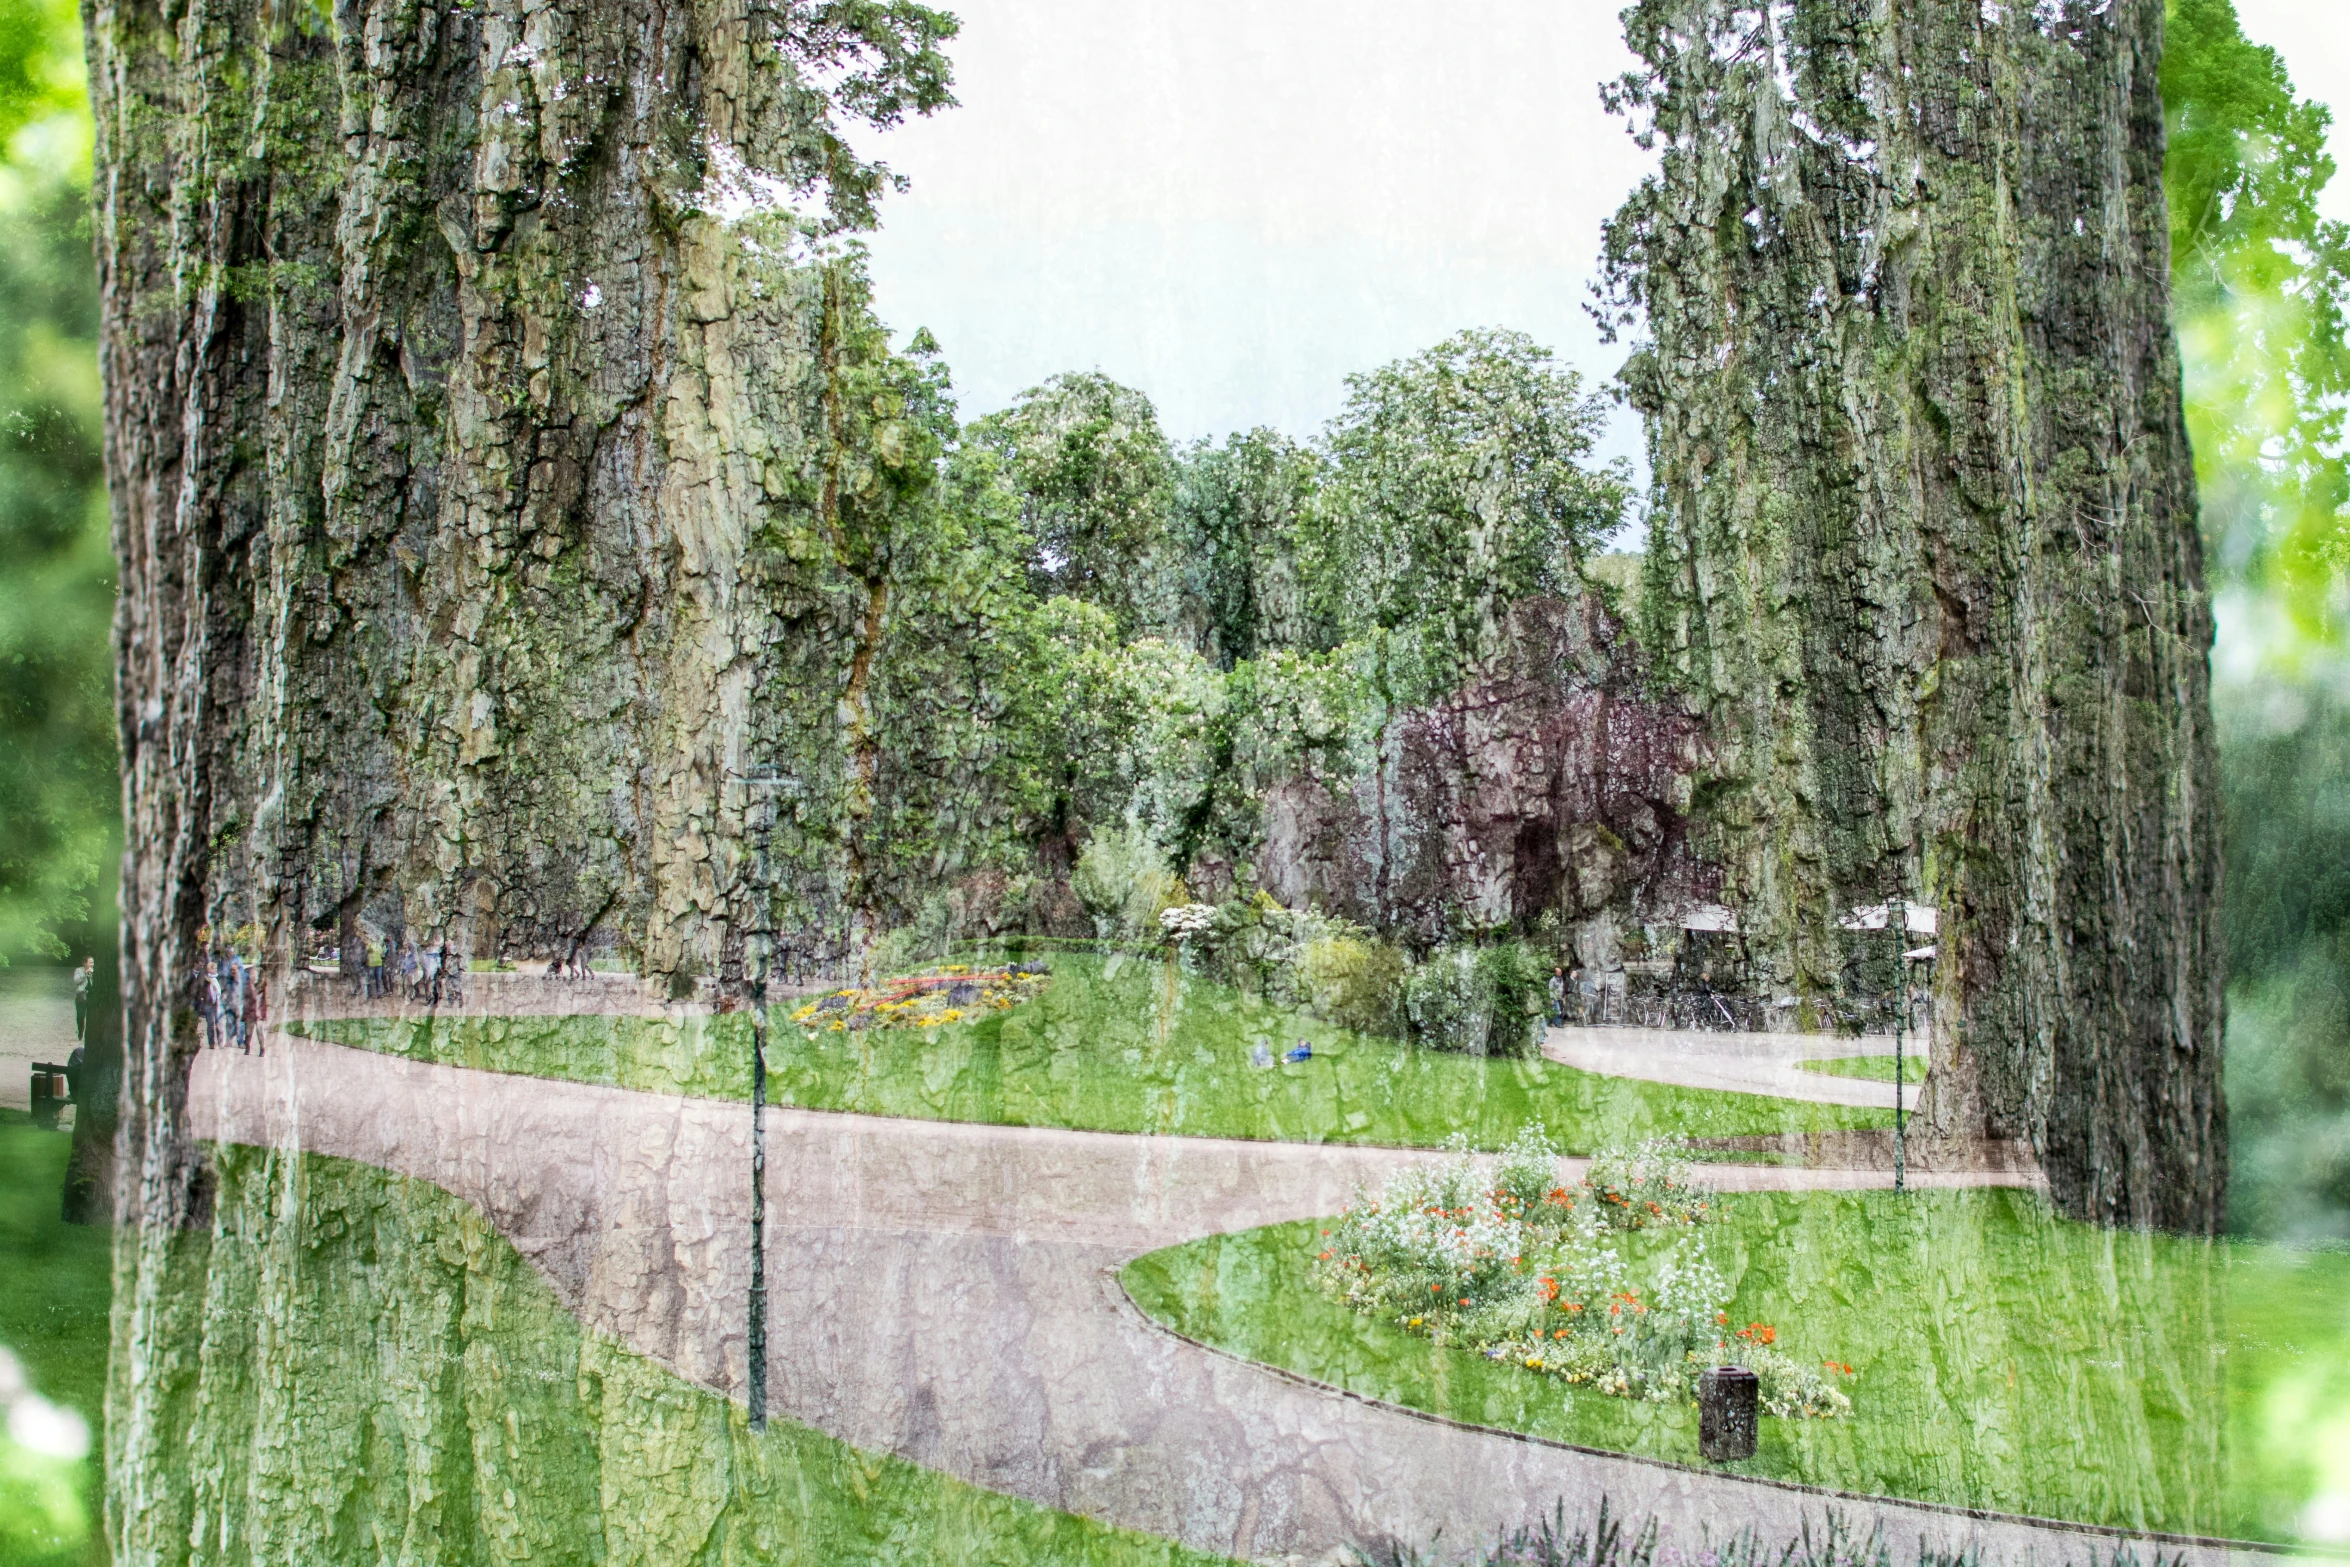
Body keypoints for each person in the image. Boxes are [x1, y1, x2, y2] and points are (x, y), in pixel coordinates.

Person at [72, 956, 94, 1040]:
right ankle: (80, 1031)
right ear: (85, 963)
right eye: (90, 962)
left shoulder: (94, 970)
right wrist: (85, 973)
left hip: (92, 995)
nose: (92, 964)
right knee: (80, 1016)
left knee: (92, 1015)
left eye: (93, 962)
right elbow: (76, 981)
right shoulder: (78, 970)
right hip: (81, 995)